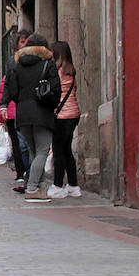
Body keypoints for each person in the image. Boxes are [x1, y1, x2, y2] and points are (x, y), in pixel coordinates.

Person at [4, 32, 60, 202]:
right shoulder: (48, 64)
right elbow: (56, 89)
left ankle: (41, 187)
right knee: (42, 151)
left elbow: (12, 91)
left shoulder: (16, 66)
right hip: (42, 112)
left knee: (34, 151)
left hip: (22, 113)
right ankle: (32, 188)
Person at [0, 28, 32, 192]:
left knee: (32, 145)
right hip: (19, 108)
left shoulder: (41, 59)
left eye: (27, 41)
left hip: (35, 108)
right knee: (23, 146)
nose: (25, 45)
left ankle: (32, 179)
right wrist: (4, 105)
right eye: (22, 41)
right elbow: (8, 84)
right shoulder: (12, 62)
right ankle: (27, 176)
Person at [48, 40, 82, 198]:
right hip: (74, 113)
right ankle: (73, 185)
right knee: (67, 150)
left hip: (61, 115)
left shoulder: (57, 71)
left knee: (59, 151)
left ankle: (58, 185)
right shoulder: (71, 71)